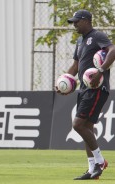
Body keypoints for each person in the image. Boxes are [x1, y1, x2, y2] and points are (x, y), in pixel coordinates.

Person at [56, 9, 115, 180]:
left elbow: (113, 50)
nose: (74, 24)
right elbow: (75, 66)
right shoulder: (80, 41)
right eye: (72, 22)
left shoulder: (97, 36)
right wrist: (64, 82)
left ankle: (100, 160)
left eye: (76, 21)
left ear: (86, 21)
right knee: (87, 128)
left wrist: (100, 71)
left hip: (96, 88)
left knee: (78, 124)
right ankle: (92, 170)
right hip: (84, 88)